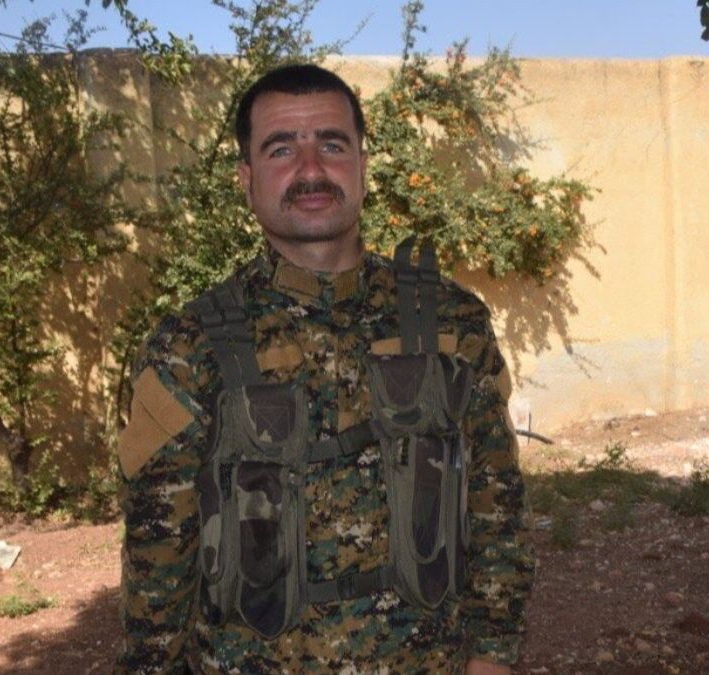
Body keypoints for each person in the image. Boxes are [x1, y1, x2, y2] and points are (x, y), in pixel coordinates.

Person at [115, 63, 534, 675]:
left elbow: (498, 506)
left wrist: (493, 655)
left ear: (362, 164)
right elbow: (157, 555)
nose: (311, 169)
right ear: (247, 178)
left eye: (332, 145)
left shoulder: (452, 321)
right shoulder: (189, 346)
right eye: (281, 148)